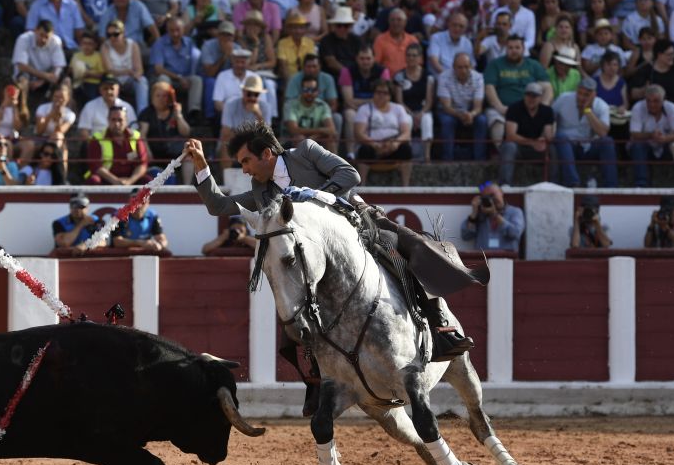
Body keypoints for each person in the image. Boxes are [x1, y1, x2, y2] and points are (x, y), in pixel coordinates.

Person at [184, 121, 481, 361]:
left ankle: (441, 327)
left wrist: (316, 196)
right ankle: (317, 378)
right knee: (294, 304)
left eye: (247, 161)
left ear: (266, 154)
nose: (245, 169)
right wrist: (201, 166)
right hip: (317, 252)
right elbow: (219, 206)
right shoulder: (261, 189)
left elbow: (349, 174)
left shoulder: (305, 151)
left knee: (405, 249)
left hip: (356, 223)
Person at [552, 77, 619, 188]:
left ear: (594, 95)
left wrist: (587, 110)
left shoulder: (602, 105)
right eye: (580, 93)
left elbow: (603, 133)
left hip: (588, 146)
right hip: (567, 145)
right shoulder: (563, 99)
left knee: (607, 142)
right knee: (560, 137)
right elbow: (549, 117)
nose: (581, 97)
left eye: (586, 95)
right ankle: (573, 183)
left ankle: (611, 187)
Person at [628, 85, 674, 188]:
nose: (652, 104)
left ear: (663, 100)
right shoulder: (638, 108)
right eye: (648, 101)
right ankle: (641, 183)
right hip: (646, 146)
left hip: (666, 146)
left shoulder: (671, 107)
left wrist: (666, 138)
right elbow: (634, 133)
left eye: (656, 101)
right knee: (637, 145)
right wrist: (651, 135)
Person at [353, 80, 413, 186]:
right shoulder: (364, 109)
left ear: (390, 95)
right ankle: (362, 186)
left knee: (406, 149)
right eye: (378, 92)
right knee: (364, 150)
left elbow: (406, 133)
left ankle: (405, 187)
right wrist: (374, 144)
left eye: (385, 93)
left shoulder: (398, 109)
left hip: (392, 145)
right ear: (373, 93)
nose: (381, 96)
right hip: (373, 147)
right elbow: (359, 133)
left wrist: (396, 143)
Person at [500, 82, 555, 186]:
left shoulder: (547, 111)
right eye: (528, 95)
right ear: (524, 96)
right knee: (509, 146)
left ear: (540, 98)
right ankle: (505, 184)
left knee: (552, 148)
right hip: (518, 147)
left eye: (535, 96)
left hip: (534, 148)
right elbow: (510, 136)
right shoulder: (514, 108)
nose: (531, 98)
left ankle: (553, 183)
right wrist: (533, 142)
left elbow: (549, 135)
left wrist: (544, 140)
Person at [436, 52, 486, 162]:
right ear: (453, 67)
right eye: (460, 67)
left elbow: (478, 107)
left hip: (469, 110)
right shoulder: (444, 77)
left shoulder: (478, 78)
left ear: (471, 66)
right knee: (447, 122)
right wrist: (460, 114)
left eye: (466, 67)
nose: (463, 70)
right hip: (450, 111)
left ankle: (480, 161)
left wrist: (471, 114)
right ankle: (447, 161)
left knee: (481, 121)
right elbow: (446, 107)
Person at [84, 104, 151, 184]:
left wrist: (130, 181)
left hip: (131, 179)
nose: (117, 124)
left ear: (126, 121)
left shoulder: (136, 136)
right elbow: (96, 166)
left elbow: (142, 164)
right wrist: (116, 181)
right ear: (108, 120)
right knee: (93, 180)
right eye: (113, 120)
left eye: (120, 120)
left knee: (149, 181)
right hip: (106, 179)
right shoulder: (97, 138)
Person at [461, 181, 525, 253]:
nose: (491, 199)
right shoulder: (480, 214)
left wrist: (494, 214)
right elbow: (465, 235)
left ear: (501, 192)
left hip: (506, 258)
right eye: (487, 197)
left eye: (492, 195)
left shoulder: (515, 212)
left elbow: (515, 233)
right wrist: (474, 212)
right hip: (483, 258)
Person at [284, 76, 339, 154]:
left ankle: (333, 162)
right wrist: (320, 131)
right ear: (301, 91)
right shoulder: (291, 105)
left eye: (313, 90)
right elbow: (293, 130)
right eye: (306, 90)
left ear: (318, 91)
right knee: (299, 138)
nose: (309, 93)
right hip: (292, 141)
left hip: (316, 138)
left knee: (330, 139)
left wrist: (313, 137)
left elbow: (331, 129)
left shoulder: (322, 105)